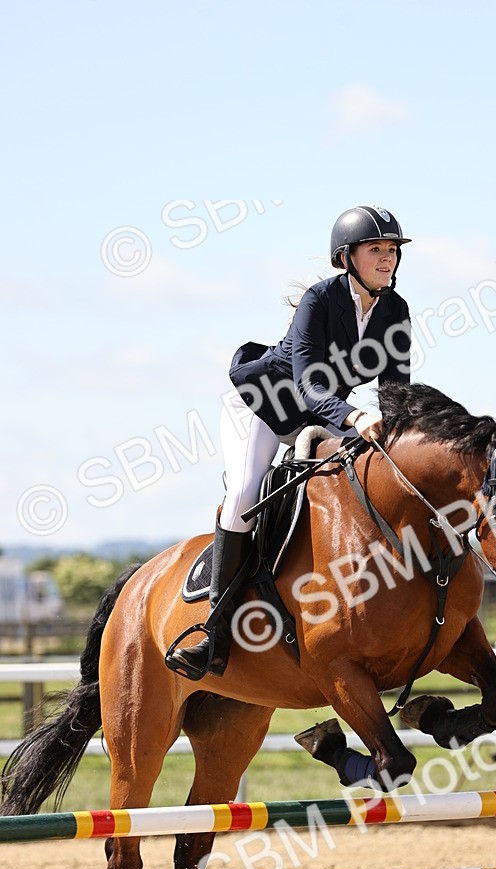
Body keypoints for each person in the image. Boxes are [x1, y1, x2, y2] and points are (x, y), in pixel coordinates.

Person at [166, 205, 413, 681]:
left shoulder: (395, 310)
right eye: (376, 250)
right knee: (243, 497)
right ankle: (212, 630)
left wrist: (405, 432)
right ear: (347, 258)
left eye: (392, 251)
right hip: (263, 407)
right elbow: (306, 387)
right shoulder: (318, 302)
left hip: (323, 417)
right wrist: (356, 416)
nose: (387, 259)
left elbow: (396, 390)